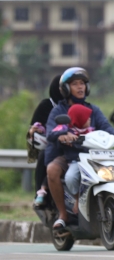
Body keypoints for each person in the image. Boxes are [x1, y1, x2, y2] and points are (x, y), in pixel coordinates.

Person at [45, 67, 114, 232]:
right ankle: (63, 214)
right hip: (70, 156)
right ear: (66, 88)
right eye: (75, 83)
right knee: (52, 170)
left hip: (95, 155)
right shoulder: (59, 110)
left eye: (83, 83)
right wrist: (62, 135)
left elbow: (105, 126)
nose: (80, 87)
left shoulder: (93, 110)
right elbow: (51, 131)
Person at [47, 104, 95, 215]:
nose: (90, 119)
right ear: (79, 118)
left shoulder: (91, 131)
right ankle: (78, 198)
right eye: (86, 117)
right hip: (76, 160)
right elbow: (51, 135)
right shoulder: (66, 128)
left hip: (92, 160)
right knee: (70, 177)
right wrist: (63, 134)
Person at [26, 74, 63, 206]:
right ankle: (41, 192)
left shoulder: (76, 105)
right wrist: (36, 130)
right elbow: (35, 125)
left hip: (73, 144)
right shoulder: (47, 105)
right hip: (53, 143)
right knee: (45, 155)